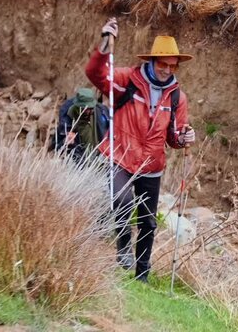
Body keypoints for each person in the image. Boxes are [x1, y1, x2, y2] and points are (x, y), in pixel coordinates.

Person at [85, 18, 196, 282]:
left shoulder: (177, 97)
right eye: (162, 64)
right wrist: (104, 45)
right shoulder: (127, 81)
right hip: (120, 156)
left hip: (151, 166)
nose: (167, 70)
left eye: (172, 65)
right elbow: (95, 74)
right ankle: (123, 247)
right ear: (152, 61)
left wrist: (184, 137)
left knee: (148, 222)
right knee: (121, 201)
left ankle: (142, 274)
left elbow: (174, 138)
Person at [52, 87, 106, 163]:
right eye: (85, 108)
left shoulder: (101, 114)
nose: (88, 111)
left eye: (90, 108)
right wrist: (66, 141)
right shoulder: (67, 120)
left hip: (100, 161)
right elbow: (56, 146)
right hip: (78, 164)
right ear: (78, 106)